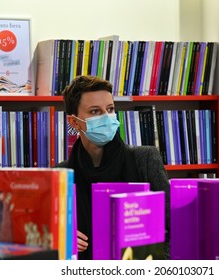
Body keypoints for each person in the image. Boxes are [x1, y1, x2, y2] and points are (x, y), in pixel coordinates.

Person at [56, 75, 170, 260]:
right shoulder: (60, 174)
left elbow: (173, 228)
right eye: (95, 111)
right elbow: (47, 243)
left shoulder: (145, 159)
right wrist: (60, 240)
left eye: (110, 109)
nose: (107, 118)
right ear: (74, 122)